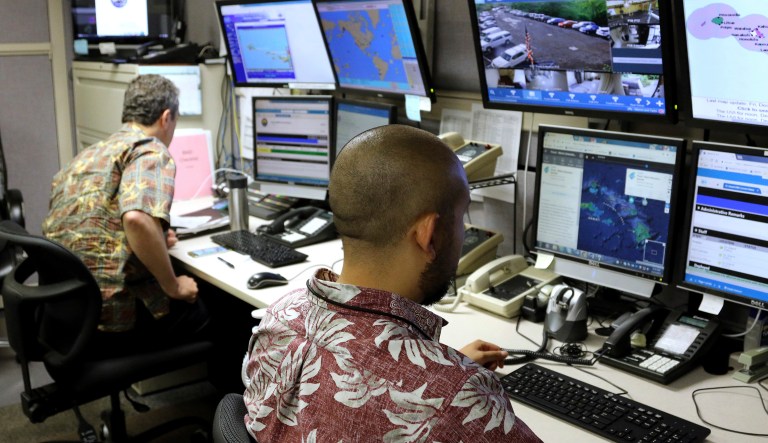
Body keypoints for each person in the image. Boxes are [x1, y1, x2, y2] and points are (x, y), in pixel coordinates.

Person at [242, 125, 541, 441]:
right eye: (461, 217)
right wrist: (450, 378)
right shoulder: (458, 399)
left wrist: (436, 366)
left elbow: (357, 358)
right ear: (430, 234)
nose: (463, 232)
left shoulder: (279, 318)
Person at [42, 74, 208, 354]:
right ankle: (236, 399)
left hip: (68, 315)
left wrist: (152, 239)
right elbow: (136, 219)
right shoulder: (150, 149)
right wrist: (174, 286)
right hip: (114, 319)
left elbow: (94, 227)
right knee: (219, 308)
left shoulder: (90, 155)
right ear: (166, 118)